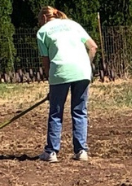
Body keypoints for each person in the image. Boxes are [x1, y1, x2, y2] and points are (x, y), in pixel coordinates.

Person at [36, 6, 97, 163]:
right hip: (82, 71)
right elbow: (93, 47)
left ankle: (51, 152)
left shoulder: (43, 32)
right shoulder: (73, 24)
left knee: (56, 112)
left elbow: (46, 62)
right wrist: (87, 66)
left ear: (43, 18)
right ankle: (81, 151)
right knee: (80, 111)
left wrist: (52, 84)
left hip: (60, 71)